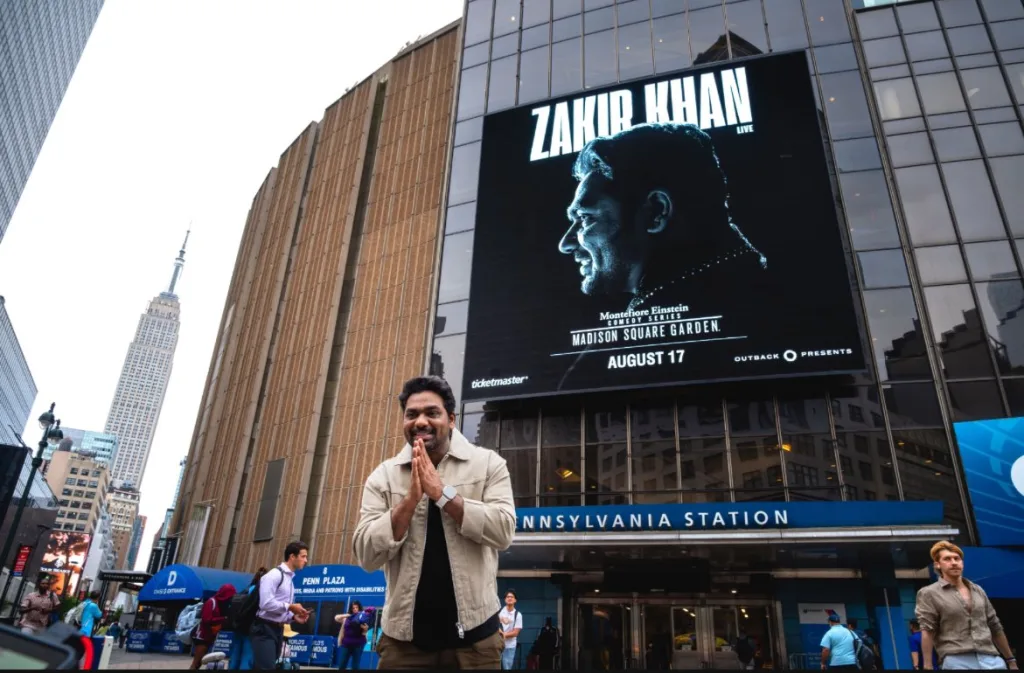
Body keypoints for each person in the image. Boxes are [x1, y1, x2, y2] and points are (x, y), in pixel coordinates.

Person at [555, 123, 768, 389]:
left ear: (656, 211)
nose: (565, 243)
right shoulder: (765, 292)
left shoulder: (603, 366)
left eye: (585, 218)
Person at [353, 375, 516, 669]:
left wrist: (442, 494)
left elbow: (504, 531)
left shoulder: (489, 464)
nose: (420, 421)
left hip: (476, 644)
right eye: (412, 414)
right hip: (404, 646)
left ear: (451, 419)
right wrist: (410, 501)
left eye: (432, 413)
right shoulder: (383, 476)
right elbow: (366, 556)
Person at [916, 541, 1017, 670]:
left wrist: (1010, 660)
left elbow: (995, 626)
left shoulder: (978, 590)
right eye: (947, 559)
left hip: (992, 660)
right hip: (956, 660)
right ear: (938, 565)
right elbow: (927, 630)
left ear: (962, 563)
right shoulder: (928, 593)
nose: (953, 562)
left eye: (957, 559)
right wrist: (928, 666)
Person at [250, 542, 311, 670]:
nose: (306, 560)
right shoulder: (274, 575)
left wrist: (294, 617)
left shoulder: (290, 580)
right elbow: (265, 604)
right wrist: (290, 607)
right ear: (292, 556)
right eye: (303, 556)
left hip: (277, 630)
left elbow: (280, 609)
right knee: (266, 668)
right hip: (264, 628)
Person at [190, 583, 238, 669]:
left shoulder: (222, 604)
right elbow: (206, 619)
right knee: (197, 663)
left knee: (201, 662)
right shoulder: (211, 602)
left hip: (210, 636)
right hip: (202, 636)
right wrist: (223, 619)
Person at [229, 567, 267, 670]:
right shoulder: (260, 592)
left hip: (238, 626)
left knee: (235, 655)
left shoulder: (245, 590)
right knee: (248, 657)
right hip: (250, 628)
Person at [335, 600, 368, 670]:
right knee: (342, 664)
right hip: (346, 644)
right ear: (351, 609)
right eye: (353, 608)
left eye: (356, 607)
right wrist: (348, 615)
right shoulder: (347, 618)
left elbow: (365, 630)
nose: (355, 609)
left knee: (355, 665)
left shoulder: (362, 617)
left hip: (358, 645)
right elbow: (336, 618)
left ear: (359, 608)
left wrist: (365, 628)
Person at [499, 590, 523, 670]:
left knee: (507, 668)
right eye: (507, 597)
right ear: (505, 600)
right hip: (497, 645)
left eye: (512, 597)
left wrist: (503, 634)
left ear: (515, 600)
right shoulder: (499, 613)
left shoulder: (518, 615)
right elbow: (494, 627)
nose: (509, 598)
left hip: (510, 646)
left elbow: (516, 632)